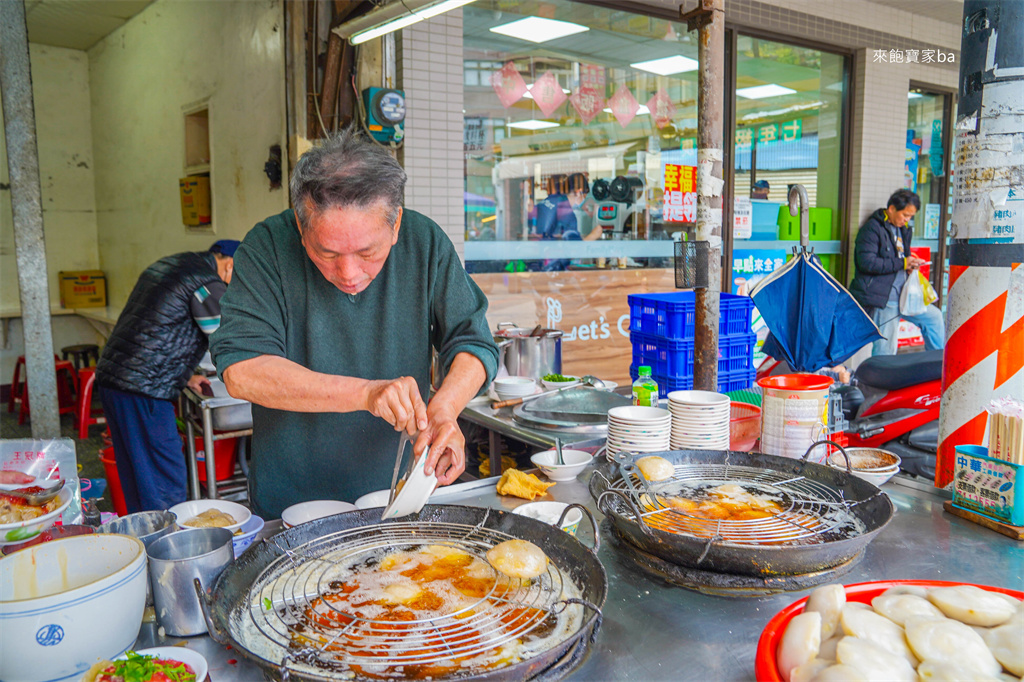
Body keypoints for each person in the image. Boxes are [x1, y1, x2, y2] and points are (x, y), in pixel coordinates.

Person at [210, 129, 498, 520]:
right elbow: (243, 371)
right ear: (300, 223)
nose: (348, 273)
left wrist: (445, 409)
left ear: (395, 224)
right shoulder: (266, 249)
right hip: (292, 507)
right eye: (326, 252)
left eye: (368, 252)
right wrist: (367, 393)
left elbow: (473, 341)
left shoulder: (424, 242)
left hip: (396, 497)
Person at [96, 240, 239, 512]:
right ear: (230, 265)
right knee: (165, 481)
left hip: (115, 380)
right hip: (144, 389)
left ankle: (145, 546)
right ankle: (168, 548)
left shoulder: (173, 265)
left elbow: (154, 327)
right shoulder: (208, 284)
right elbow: (227, 340)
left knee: (139, 478)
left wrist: (185, 377)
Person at [849, 189, 945, 356]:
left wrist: (909, 264)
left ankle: (938, 365)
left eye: (910, 216)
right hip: (884, 299)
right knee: (886, 349)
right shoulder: (872, 229)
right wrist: (903, 262)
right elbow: (867, 263)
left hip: (906, 295)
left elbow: (901, 258)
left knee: (934, 318)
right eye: (905, 215)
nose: (907, 220)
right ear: (892, 209)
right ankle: (879, 381)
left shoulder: (903, 229)